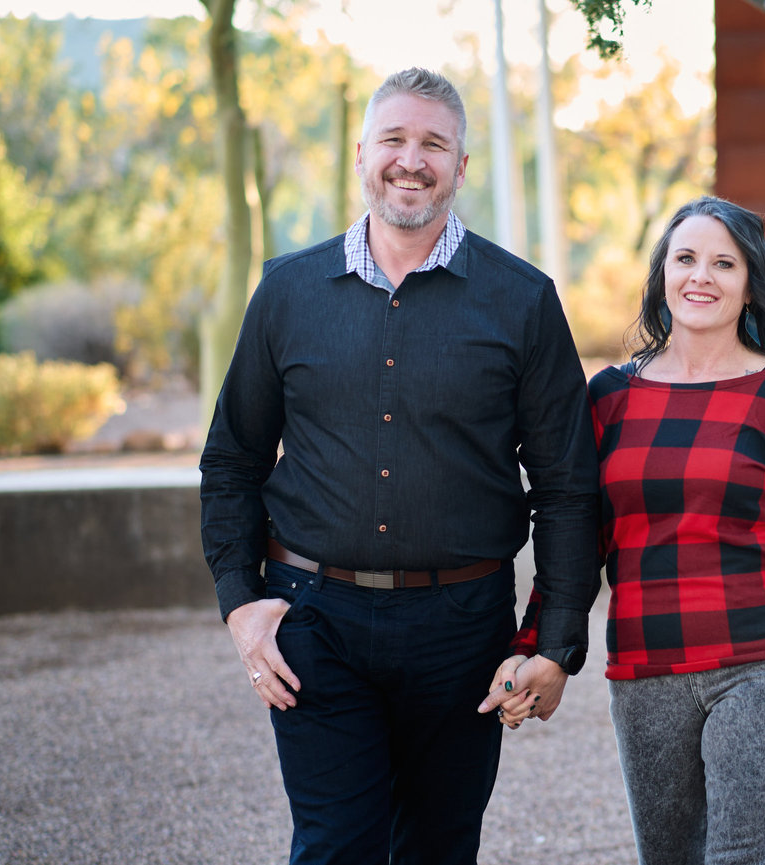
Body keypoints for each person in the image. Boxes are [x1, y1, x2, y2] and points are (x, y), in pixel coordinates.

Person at [199, 67, 600, 865]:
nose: (410, 160)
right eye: (393, 139)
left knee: (438, 849)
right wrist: (242, 603)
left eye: (432, 144)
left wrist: (555, 645)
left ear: (459, 166)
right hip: (314, 620)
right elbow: (234, 458)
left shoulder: (521, 301)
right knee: (335, 847)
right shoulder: (287, 290)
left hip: (463, 630)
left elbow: (565, 488)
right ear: (360, 154)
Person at [587, 196, 765, 865]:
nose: (699, 276)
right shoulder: (610, 397)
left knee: (738, 856)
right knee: (668, 857)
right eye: (684, 259)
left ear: (748, 283)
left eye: (722, 263)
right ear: (660, 277)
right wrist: (538, 642)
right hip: (645, 662)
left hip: (762, 660)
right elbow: (578, 539)